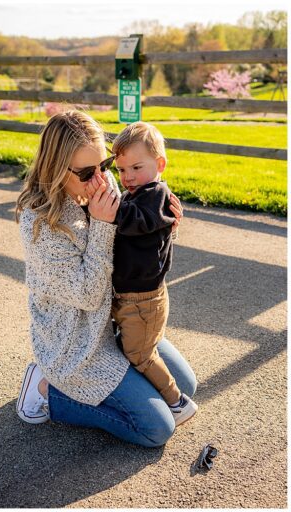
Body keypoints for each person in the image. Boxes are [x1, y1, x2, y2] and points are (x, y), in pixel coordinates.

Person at [13, 110, 193, 448]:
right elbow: (88, 295)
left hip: (119, 320)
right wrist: (101, 225)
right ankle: (48, 388)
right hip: (77, 344)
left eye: (104, 166)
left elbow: (135, 242)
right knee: (157, 429)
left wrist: (163, 219)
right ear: (55, 167)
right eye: (85, 172)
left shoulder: (100, 182)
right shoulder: (38, 222)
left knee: (187, 385)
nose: (100, 179)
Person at [110, 121, 196, 425]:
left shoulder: (156, 193)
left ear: (159, 164)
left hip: (143, 301)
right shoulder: (137, 193)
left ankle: (176, 401)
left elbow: (137, 221)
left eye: (136, 167)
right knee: (134, 346)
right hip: (132, 296)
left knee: (140, 355)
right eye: (121, 170)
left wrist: (112, 211)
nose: (128, 177)